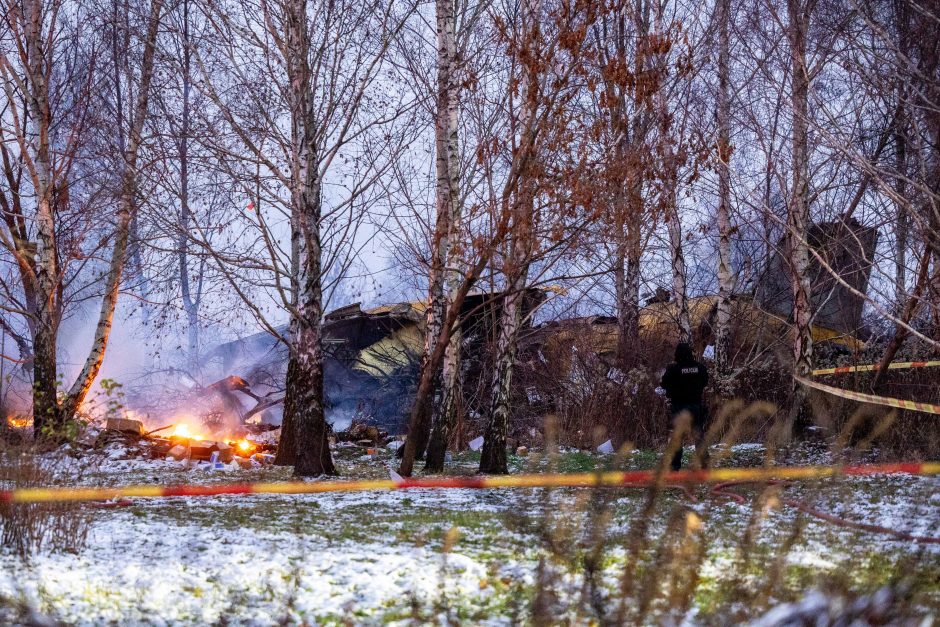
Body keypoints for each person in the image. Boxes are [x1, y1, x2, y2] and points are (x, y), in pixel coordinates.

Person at [660, 342, 709, 471]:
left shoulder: (673, 369)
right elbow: (705, 382)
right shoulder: (700, 368)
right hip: (695, 406)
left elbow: (663, 384)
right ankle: (705, 464)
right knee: (698, 435)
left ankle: (675, 466)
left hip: (679, 407)